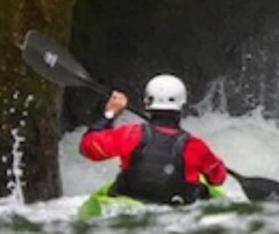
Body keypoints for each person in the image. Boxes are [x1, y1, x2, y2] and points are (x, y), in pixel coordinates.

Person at [76, 74, 231, 205]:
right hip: (176, 210)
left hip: (130, 202)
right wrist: (215, 166)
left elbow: (88, 147)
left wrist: (110, 113)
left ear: (147, 103)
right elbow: (217, 178)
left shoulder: (131, 134)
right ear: (181, 106)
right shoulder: (196, 146)